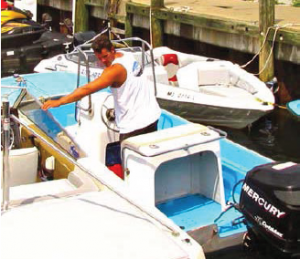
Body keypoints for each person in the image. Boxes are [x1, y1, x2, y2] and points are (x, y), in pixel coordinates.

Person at [42, 34, 161, 143]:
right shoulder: (128, 56)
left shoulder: (113, 71)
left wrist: (60, 101)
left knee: (129, 163)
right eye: (99, 58)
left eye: (105, 56)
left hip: (134, 126)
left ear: (113, 50)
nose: (103, 61)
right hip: (152, 116)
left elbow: (86, 89)